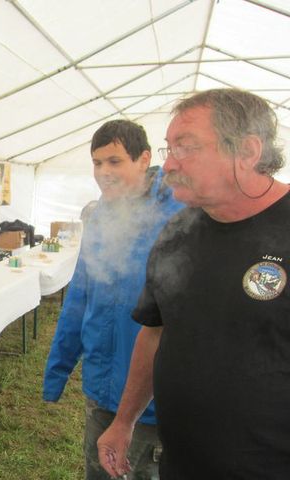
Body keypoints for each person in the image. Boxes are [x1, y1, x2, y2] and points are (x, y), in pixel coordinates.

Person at [97, 89, 289, 479]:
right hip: (181, 464)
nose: (169, 165)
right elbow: (155, 332)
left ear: (247, 151)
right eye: (170, 149)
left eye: (186, 148)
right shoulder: (178, 232)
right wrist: (124, 421)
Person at [43, 119, 183, 479]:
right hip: (101, 385)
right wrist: (57, 371)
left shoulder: (180, 214)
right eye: (97, 163)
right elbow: (79, 294)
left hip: (150, 400)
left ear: (144, 159)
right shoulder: (101, 215)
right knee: (99, 470)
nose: (103, 172)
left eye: (114, 161)